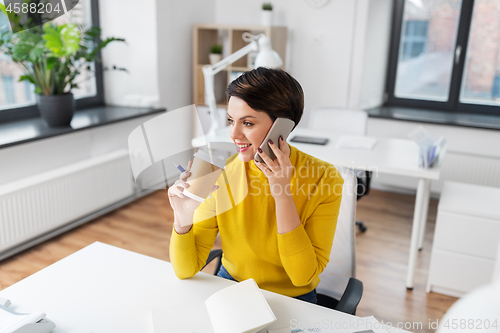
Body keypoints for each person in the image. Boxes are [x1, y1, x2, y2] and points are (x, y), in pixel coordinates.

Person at [168, 67, 344, 304]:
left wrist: (282, 195)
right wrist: (182, 219)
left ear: (282, 126)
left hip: (293, 298)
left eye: (248, 123)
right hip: (233, 286)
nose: (234, 134)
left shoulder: (324, 178)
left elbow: (302, 277)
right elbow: (185, 270)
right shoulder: (220, 174)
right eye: (231, 120)